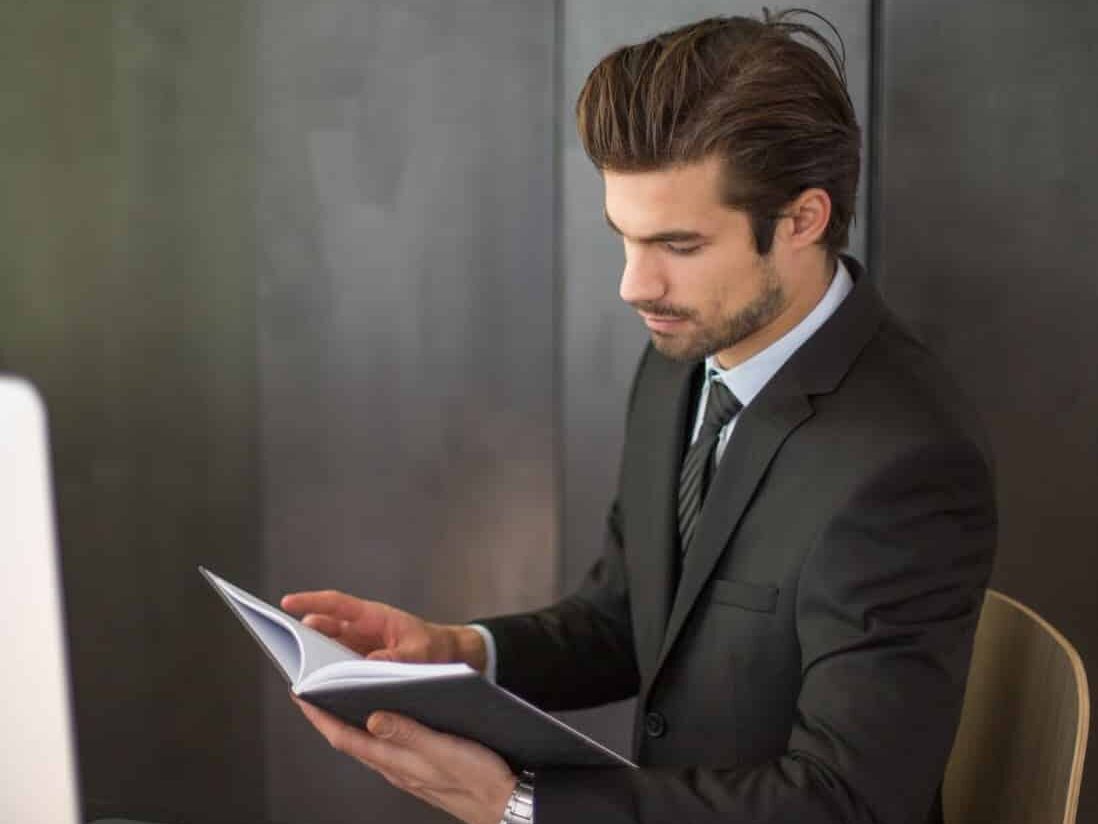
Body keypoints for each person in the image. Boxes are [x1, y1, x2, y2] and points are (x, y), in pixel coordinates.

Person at [282, 10, 997, 824]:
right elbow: (631, 613)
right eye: (623, 237)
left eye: (679, 246)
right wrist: (460, 654)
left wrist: (521, 807)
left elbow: (848, 803)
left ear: (803, 220)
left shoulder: (906, 464)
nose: (634, 286)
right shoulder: (682, 356)